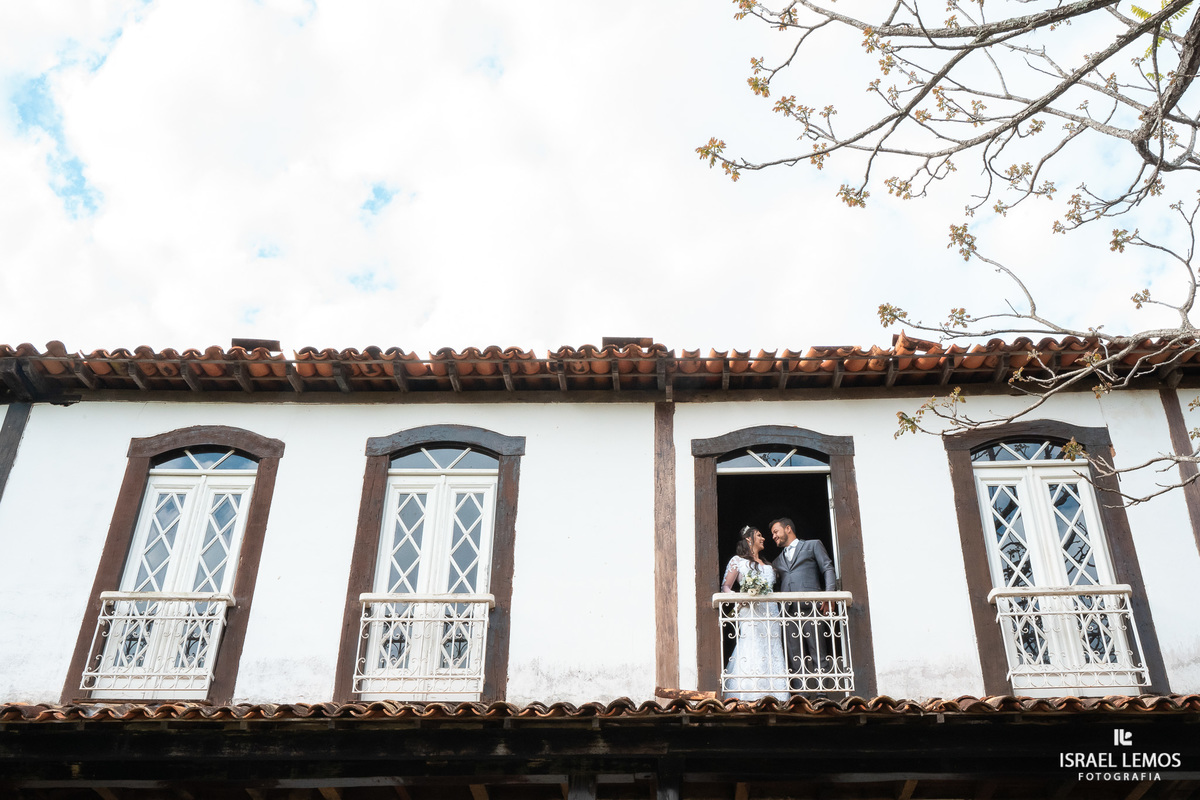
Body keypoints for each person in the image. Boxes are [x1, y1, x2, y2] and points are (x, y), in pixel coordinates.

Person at [720, 525, 788, 701]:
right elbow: (726, 586)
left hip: (770, 612)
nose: (763, 538)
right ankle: (751, 690)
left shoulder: (767, 564)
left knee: (771, 646)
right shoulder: (738, 561)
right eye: (759, 535)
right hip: (750, 611)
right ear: (749, 539)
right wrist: (739, 597)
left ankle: (775, 692)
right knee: (752, 645)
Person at [769, 517, 837, 691]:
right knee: (795, 657)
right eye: (772, 534)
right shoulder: (777, 562)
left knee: (818, 653)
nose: (774, 537)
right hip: (789, 612)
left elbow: (828, 568)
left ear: (788, 528)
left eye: (776, 532)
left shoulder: (812, 545)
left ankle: (822, 693)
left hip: (811, 608)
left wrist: (829, 596)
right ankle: (802, 694)